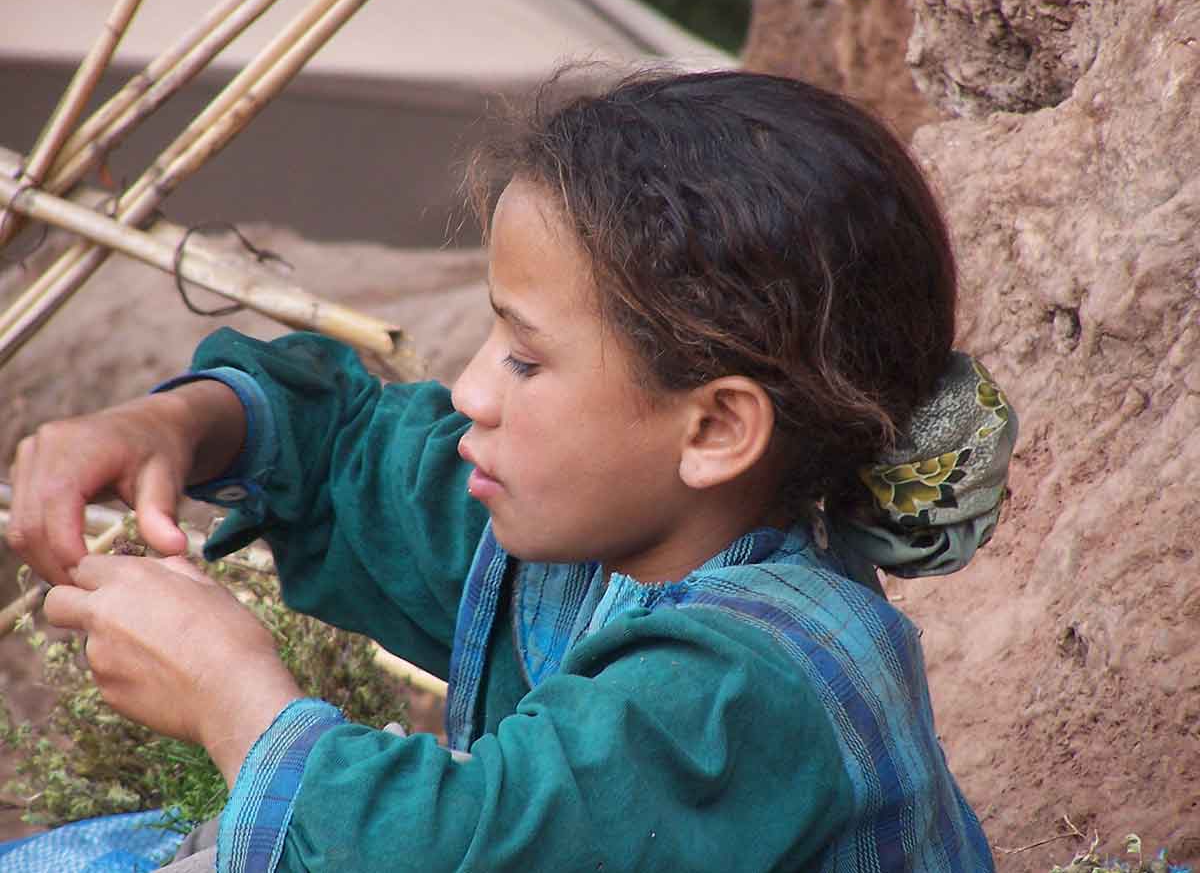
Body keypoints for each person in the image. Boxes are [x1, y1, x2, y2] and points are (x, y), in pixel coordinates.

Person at [6, 70, 1016, 872]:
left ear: (713, 429)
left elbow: (451, 854)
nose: (473, 392)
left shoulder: (754, 688)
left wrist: (229, 691)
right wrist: (181, 424)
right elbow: (361, 456)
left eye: (526, 360)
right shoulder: (610, 527)